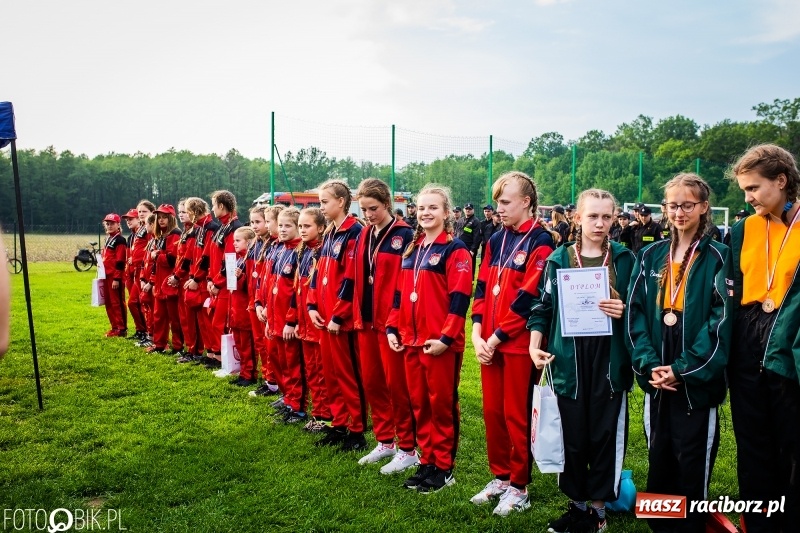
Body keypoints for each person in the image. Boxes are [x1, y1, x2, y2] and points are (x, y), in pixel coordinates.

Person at [626, 173, 731, 532]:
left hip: (694, 379)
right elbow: (635, 314)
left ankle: (689, 527)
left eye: (688, 205)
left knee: (691, 464)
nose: (680, 212)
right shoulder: (650, 254)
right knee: (660, 459)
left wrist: (684, 368)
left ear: (704, 207)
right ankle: (662, 526)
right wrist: (650, 364)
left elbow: (721, 321)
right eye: (673, 205)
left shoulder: (720, 257)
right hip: (657, 375)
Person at [528, 188, 634, 532]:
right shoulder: (559, 258)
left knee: (603, 435)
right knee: (571, 435)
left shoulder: (624, 258)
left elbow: (639, 310)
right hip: (569, 360)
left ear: (614, 218)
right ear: (577, 217)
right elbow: (543, 307)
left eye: (606, 216)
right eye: (592, 216)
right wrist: (534, 345)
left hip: (608, 360)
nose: (600, 223)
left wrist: (623, 310)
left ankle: (599, 512)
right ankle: (576, 506)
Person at [469, 171, 555, 516]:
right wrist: (476, 332)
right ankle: (501, 477)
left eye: (505, 202)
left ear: (526, 202)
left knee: (515, 414)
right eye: (497, 202)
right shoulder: (494, 239)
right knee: (492, 413)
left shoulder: (542, 240)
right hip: (488, 340)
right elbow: (481, 286)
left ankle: (519, 486)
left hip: (518, 343)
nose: (499, 208)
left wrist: (495, 336)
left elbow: (529, 298)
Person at [728, 144, 800, 532]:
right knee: (752, 439)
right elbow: (734, 288)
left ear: (782, 181)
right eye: (744, 190)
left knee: (791, 440)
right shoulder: (744, 227)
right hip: (748, 334)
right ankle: (758, 523)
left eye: (754, 188)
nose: (748, 197)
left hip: (789, 339)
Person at [386, 184, 472, 493]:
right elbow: (399, 294)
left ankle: (444, 467)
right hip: (411, 340)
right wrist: (392, 327)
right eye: (421, 208)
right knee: (419, 403)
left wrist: (447, 338)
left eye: (433, 208)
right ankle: (427, 460)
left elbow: (460, 298)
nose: (426, 213)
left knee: (441, 405)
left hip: (438, 344)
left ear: (447, 213)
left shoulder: (455, 249)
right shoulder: (413, 247)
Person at [350, 178, 418, 472]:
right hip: (366, 320)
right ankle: (385, 440)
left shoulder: (404, 235)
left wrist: (396, 320)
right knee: (373, 382)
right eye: (364, 209)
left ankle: (407, 447)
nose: (368, 215)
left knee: (396, 386)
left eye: (373, 208)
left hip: (391, 322)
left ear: (387, 204)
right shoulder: (365, 233)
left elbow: (405, 282)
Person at [307, 180, 367, 451]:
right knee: (330, 373)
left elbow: (352, 279)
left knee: (347, 374)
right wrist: (311, 306)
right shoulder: (330, 232)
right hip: (324, 316)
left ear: (341, 202)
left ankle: (356, 431)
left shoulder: (354, 231)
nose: (321, 207)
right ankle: (339, 423)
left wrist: (339, 315)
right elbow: (318, 273)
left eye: (324, 202)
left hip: (339, 321)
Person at [291, 207, 333, 431]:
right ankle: (318, 413)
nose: (303, 230)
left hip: (318, 322)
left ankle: (328, 416)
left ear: (320, 227)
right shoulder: (303, 251)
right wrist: (296, 319)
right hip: (305, 322)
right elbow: (297, 289)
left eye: (307, 226)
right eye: (301, 226)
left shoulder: (322, 251)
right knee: (313, 371)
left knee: (324, 371)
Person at [266, 208, 307, 423]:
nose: (282, 229)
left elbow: (295, 292)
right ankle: (288, 397)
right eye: (280, 225)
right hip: (275, 317)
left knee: (293, 364)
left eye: (287, 226)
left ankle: (298, 406)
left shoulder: (300, 251)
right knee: (280, 361)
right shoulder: (279, 249)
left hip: (288, 320)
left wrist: (292, 319)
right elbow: (272, 285)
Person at [206, 190, 243, 368]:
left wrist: (218, 282)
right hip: (216, 283)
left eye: (213, 205)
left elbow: (229, 259)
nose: (212, 209)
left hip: (225, 285)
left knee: (220, 323)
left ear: (221, 206)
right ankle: (218, 357)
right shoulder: (223, 227)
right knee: (215, 321)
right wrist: (209, 279)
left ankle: (225, 360)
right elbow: (213, 257)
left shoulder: (234, 228)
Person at [182, 197, 220, 367]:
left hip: (206, 281)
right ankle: (210, 352)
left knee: (209, 319)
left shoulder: (210, 228)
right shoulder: (199, 228)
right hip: (199, 279)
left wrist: (197, 278)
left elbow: (207, 257)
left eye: (188, 212)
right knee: (203, 321)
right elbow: (192, 256)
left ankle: (216, 355)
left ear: (194, 211)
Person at [251, 205, 284, 397]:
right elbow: (262, 279)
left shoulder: (280, 247)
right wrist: (258, 302)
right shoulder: (269, 245)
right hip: (263, 304)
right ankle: (272, 382)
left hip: (276, 309)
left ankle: (276, 385)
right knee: (265, 346)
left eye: (262, 221)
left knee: (279, 353)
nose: (256, 226)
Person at [148, 204, 183, 355]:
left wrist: (157, 255)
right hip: (160, 281)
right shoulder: (161, 236)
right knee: (159, 316)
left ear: (171, 218)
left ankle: (178, 346)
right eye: (159, 218)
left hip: (170, 282)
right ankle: (159, 344)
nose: (161, 220)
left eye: (164, 217)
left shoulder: (175, 234)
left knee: (174, 318)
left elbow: (172, 259)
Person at [229, 226, 258, 386]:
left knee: (247, 345)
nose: (234, 244)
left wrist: (242, 277)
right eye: (234, 240)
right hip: (236, 309)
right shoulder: (238, 259)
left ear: (249, 242)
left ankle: (250, 374)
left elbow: (250, 286)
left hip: (244, 310)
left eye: (238, 240)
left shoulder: (248, 260)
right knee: (239, 343)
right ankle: (243, 371)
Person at [127, 201, 155, 342]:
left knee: (143, 303)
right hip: (139, 270)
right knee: (137, 303)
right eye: (139, 212)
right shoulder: (142, 229)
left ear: (151, 212)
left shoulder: (151, 228)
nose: (141, 214)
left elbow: (151, 250)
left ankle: (151, 334)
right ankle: (145, 332)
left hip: (146, 271)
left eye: (144, 211)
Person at [101, 213, 128, 337]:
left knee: (117, 302)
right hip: (106, 276)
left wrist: (117, 278)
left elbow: (120, 260)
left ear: (118, 225)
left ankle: (121, 328)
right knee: (109, 302)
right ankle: (114, 326)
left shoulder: (120, 240)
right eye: (107, 224)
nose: (109, 226)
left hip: (114, 277)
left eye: (112, 223)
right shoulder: (108, 238)